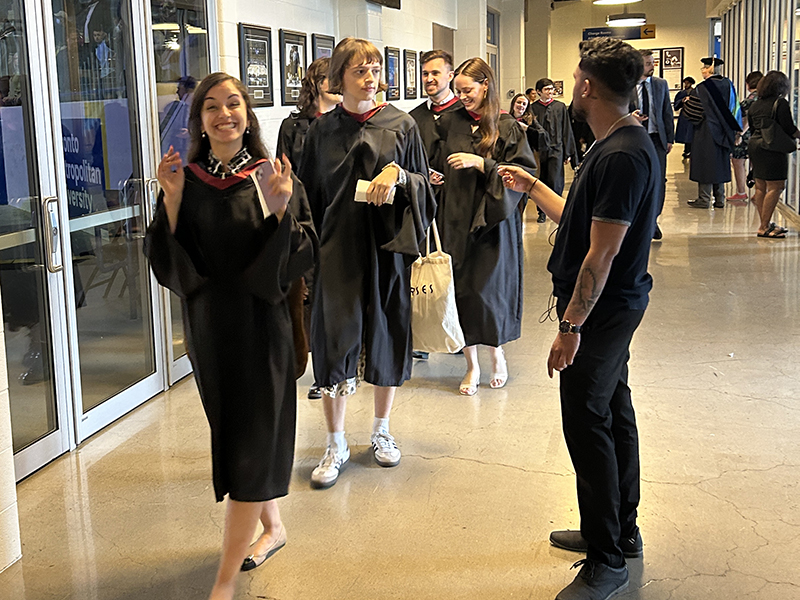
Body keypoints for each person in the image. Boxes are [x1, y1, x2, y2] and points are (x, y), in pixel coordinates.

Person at [143, 72, 316, 600]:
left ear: (248, 114)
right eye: (211, 106)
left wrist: (283, 211)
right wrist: (170, 203)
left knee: (248, 447)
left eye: (233, 103)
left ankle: (223, 583)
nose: (223, 114)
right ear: (198, 120)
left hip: (263, 332)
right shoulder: (187, 179)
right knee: (241, 439)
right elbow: (171, 264)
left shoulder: (272, 176)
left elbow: (301, 256)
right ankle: (274, 527)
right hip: (212, 334)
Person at [499, 37, 658, 600]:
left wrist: (570, 328)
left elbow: (602, 253)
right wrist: (535, 186)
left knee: (587, 425)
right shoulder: (619, 142)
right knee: (613, 411)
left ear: (588, 85)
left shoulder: (620, 154)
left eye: (575, 76)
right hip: (611, 308)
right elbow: (586, 226)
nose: (570, 84)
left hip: (603, 313)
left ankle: (607, 559)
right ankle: (616, 531)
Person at [299, 38, 435, 489]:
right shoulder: (320, 132)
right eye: (359, 70)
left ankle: (381, 430)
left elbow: (425, 190)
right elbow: (308, 199)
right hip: (337, 251)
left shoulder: (402, 125)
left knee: (387, 334)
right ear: (339, 77)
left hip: (386, 249)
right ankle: (335, 441)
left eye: (375, 68)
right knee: (334, 341)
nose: (369, 76)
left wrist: (399, 174)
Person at [430, 58, 536, 396]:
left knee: (489, 292)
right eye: (458, 91)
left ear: (485, 85)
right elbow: (437, 160)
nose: (462, 97)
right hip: (456, 218)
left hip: (493, 221)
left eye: (468, 90)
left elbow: (521, 175)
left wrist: (483, 163)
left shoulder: (508, 127)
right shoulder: (450, 123)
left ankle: (496, 354)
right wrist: (435, 177)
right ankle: (471, 365)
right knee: (461, 292)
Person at [276, 57, 341, 399]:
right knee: (305, 295)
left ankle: (330, 372)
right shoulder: (293, 127)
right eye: (328, 77)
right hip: (304, 219)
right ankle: (309, 365)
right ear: (314, 83)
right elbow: (282, 173)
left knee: (330, 297)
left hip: (335, 218)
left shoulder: (344, 125)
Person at [409, 49, 463, 361]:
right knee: (423, 271)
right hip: (424, 205)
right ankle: (424, 333)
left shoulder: (464, 116)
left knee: (453, 270)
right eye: (425, 74)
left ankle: (454, 330)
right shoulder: (415, 118)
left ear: (450, 75)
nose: (430, 79)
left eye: (436, 73)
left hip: (457, 206)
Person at [747, 70, 800, 238]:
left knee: (761, 187)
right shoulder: (780, 103)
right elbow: (789, 128)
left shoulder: (755, 104)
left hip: (755, 146)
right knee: (776, 186)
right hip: (772, 148)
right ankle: (763, 227)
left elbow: (753, 127)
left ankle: (766, 224)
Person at [685, 56, 742, 209]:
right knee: (720, 163)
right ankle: (720, 199)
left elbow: (693, 111)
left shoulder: (702, 88)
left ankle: (703, 199)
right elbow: (735, 108)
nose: (702, 71)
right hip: (724, 131)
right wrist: (734, 131)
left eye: (703, 68)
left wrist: (686, 102)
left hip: (706, 131)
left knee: (705, 163)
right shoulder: (729, 85)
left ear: (707, 69)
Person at [631, 49, 673, 240]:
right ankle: (636, 220)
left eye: (653, 62)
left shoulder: (660, 84)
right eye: (648, 63)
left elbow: (667, 112)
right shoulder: (626, 84)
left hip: (657, 138)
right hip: (634, 138)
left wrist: (669, 138)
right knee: (637, 179)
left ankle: (652, 220)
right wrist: (629, 118)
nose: (652, 66)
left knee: (658, 180)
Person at [276, 57, 340, 173]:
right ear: (319, 83)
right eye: (334, 79)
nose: (340, 86)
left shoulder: (346, 123)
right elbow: (283, 169)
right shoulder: (292, 126)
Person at [530, 77, 577, 223]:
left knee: (556, 180)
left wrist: (568, 152)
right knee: (541, 180)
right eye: (547, 89)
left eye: (551, 89)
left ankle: (557, 209)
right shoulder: (533, 108)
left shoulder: (560, 107)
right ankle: (542, 212)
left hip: (557, 149)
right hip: (540, 150)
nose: (550, 92)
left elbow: (566, 129)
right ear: (539, 92)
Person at [728, 70, 763, 202]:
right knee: (757, 164)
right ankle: (758, 192)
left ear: (748, 84)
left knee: (738, 161)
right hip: (759, 136)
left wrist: (739, 134)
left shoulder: (749, 101)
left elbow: (746, 120)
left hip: (746, 136)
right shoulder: (763, 99)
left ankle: (741, 191)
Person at [673, 77, 695, 158]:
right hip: (684, 115)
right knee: (686, 133)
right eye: (685, 83)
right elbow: (676, 105)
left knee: (691, 133)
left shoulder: (695, 92)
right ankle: (687, 150)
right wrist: (682, 101)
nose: (686, 85)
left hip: (692, 114)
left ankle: (691, 150)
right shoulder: (681, 93)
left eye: (688, 83)